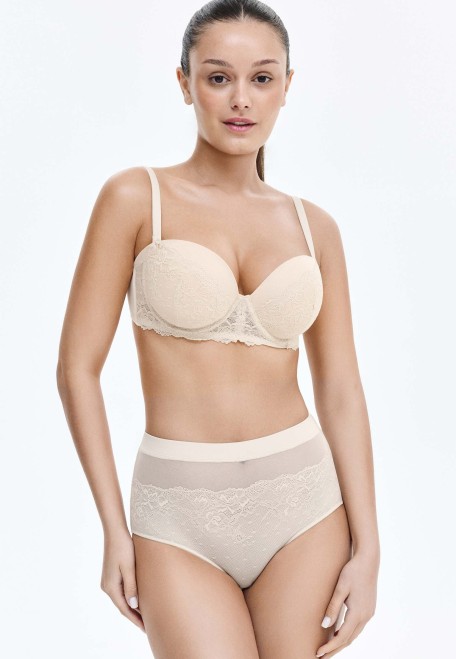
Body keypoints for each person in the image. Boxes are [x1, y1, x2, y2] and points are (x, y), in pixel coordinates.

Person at [56, 1, 380, 657]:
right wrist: (113, 528)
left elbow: (341, 388)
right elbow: (76, 370)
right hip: (177, 515)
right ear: (185, 84)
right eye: (217, 77)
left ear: (287, 86)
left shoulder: (315, 227)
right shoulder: (135, 198)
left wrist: (369, 546)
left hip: (305, 506)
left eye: (261, 78)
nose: (241, 100)